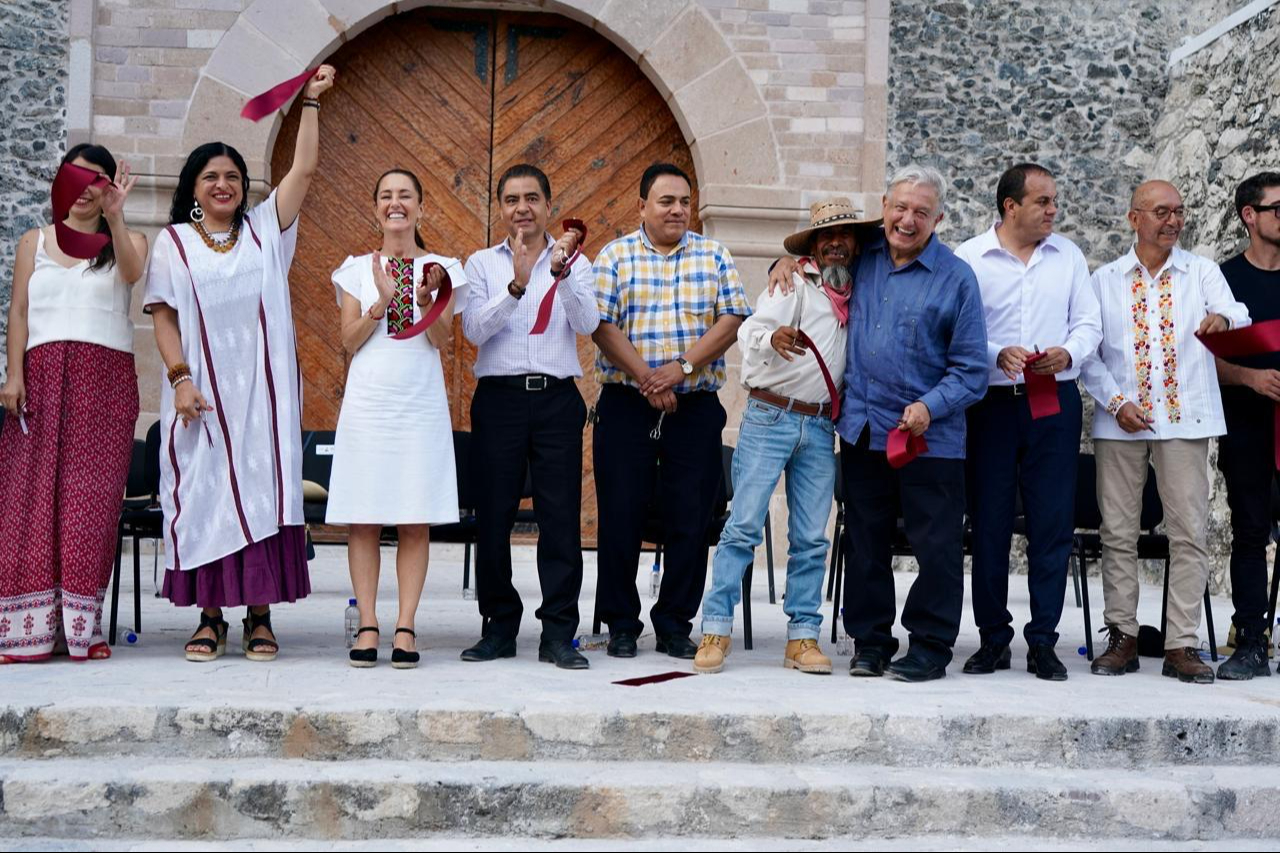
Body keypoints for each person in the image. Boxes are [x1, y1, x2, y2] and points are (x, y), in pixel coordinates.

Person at [143, 65, 336, 662]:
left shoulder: (264, 231)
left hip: (264, 398)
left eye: (231, 176)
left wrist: (309, 103)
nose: (222, 184)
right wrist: (179, 380)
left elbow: (302, 170)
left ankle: (259, 616)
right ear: (194, 188)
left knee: (259, 492)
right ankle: (209, 617)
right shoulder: (174, 242)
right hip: (200, 396)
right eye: (210, 177)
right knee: (205, 495)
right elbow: (164, 317)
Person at [771, 164, 987, 682]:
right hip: (864, 431)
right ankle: (870, 642)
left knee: (935, 547)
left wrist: (930, 406)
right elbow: (822, 252)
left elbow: (973, 370)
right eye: (899, 208)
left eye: (920, 212)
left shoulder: (956, 279)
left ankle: (931, 645)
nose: (907, 220)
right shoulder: (862, 258)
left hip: (928, 440)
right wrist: (788, 259)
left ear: (938, 219)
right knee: (863, 541)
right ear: (884, 208)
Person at [695, 197, 876, 675]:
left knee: (810, 539)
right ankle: (715, 629)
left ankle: (802, 639)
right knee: (743, 528)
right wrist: (772, 338)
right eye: (826, 237)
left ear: (856, 245)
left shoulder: (864, 288)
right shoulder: (791, 280)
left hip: (820, 426)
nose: (836, 243)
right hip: (770, 417)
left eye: (845, 236)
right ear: (814, 247)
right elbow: (751, 330)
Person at [1081, 180, 1250, 684]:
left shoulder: (1201, 271)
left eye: (1178, 211)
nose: (1173, 220)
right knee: (1117, 531)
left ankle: (1181, 644)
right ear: (1134, 218)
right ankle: (1124, 637)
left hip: (1186, 418)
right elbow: (1088, 352)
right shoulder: (1105, 280)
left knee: (1189, 532)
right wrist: (1115, 402)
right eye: (1161, 212)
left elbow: (1239, 314)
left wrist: (1222, 316)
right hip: (1121, 418)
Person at [591, 162, 751, 659]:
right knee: (620, 514)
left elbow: (733, 318)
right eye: (666, 201)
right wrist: (647, 376)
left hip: (694, 404)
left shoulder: (714, 254)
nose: (678, 209)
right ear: (642, 206)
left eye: (684, 201)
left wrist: (680, 369)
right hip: (625, 403)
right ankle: (620, 623)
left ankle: (675, 623)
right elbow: (599, 323)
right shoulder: (614, 256)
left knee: (691, 516)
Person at [954, 163, 1102, 681]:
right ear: (1010, 206)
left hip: (1053, 401)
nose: (1053, 211)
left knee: (1052, 523)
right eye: (1043, 202)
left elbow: (1088, 322)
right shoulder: (969, 258)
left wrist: (1070, 352)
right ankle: (993, 639)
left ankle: (1043, 640)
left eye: (1054, 201)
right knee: (989, 523)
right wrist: (997, 353)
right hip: (990, 405)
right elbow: (956, 329)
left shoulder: (1069, 256)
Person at [0, 144, 146, 663]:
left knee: (90, 506)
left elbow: (132, 274)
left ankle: (82, 630)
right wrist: (13, 374)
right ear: (61, 182)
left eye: (100, 178)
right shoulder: (33, 242)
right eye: (79, 176)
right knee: (31, 501)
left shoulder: (125, 241)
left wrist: (117, 216)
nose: (89, 187)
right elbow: (19, 312)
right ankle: (29, 634)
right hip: (39, 377)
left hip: (103, 382)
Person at [459, 164, 595, 670]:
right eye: (512, 199)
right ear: (500, 208)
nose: (522, 207)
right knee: (492, 517)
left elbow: (587, 322)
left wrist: (559, 274)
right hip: (499, 401)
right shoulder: (480, 264)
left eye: (532, 198)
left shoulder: (574, 261)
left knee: (559, 521)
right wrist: (516, 286)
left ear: (547, 205)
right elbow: (474, 330)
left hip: (557, 400)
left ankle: (559, 633)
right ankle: (498, 625)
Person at [327, 168, 465, 669]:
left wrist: (426, 300)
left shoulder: (443, 267)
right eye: (386, 195)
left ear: (421, 208)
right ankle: (368, 622)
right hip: (368, 405)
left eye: (405, 195)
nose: (395, 203)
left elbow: (442, 340)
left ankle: (406, 625)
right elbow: (347, 342)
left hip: (419, 404)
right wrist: (382, 300)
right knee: (363, 519)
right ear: (375, 208)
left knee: (413, 518)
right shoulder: (354, 269)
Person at [1213, 171, 1280, 680]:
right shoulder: (1223, 279)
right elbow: (1200, 355)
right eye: (1277, 208)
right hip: (1247, 422)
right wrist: (1249, 378)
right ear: (1249, 216)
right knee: (1251, 530)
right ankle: (1252, 640)